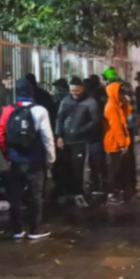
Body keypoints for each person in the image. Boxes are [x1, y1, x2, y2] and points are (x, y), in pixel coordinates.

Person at [0, 78, 56, 240]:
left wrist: (7, 155)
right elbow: (47, 137)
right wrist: (51, 158)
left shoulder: (8, 110)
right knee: (36, 194)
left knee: (15, 195)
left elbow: (1, 134)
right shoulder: (40, 111)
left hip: (15, 160)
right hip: (35, 160)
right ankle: (34, 230)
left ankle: (17, 230)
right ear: (31, 92)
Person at [56, 76, 101, 207]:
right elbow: (59, 118)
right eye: (72, 91)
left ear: (82, 89)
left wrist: (81, 130)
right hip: (65, 140)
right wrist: (59, 136)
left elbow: (95, 121)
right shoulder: (65, 100)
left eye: (77, 91)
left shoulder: (90, 102)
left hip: (80, 141)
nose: (74, 93)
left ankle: (79, 193)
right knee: (65, 167)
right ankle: (68, 193)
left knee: (78, 168)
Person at [104, 78, 133, 205]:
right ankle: (112, 193)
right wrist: (122, 144)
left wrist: (126, 104)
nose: (123, 95)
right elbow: (117, 127)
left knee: (118, 168)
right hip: (114, 142)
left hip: (116, 142)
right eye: (121, 93)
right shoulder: (112, 107)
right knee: (114, 169)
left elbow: (123, 118)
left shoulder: (116, 105)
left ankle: (116, 191)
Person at [83, 76, 107, 195]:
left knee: (96, 160)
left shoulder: (93, 100)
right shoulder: (101, 97)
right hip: (99, 133)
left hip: (95, 134)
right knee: (97, 159)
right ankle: (98, 181)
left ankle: (97, 183)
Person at [51, 79, 72, 199]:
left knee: (58, 158)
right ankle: (67, 182)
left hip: (57, 131)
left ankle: (59, 184)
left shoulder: (56, 99)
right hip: (68, 132)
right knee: (67, 159)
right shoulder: (71, 99)